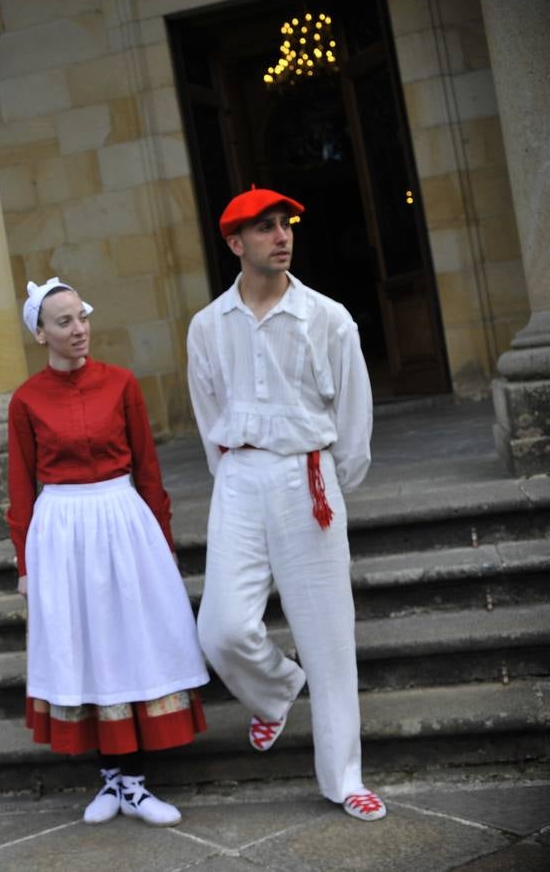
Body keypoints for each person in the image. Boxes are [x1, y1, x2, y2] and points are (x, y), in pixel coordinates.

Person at [186, 187, 384, 822]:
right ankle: (275, 692)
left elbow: (354, 418)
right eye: (265, 227)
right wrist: (238, 470)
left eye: (286, 224)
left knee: (327, 637)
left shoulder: (328, 316)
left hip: (308, 476)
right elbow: (207, 412)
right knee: (220, 628)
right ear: (234, 242)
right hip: (240, 475)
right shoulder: (207, 325)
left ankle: (343, 776)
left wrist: (328, 478)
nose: (281, 235)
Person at [7, 278, 209, 827]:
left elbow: (147, 468)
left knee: (131, 642)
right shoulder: (26, 400)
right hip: (62, 531)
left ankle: (137, 782)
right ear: (41, 333)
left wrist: (161, 543)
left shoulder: (121, 384)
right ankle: (111, 779)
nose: (79, 330)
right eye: (64, 322)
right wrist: (26, 563)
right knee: (86, 645)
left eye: (82, 318)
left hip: (123, 521)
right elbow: (22, 487)